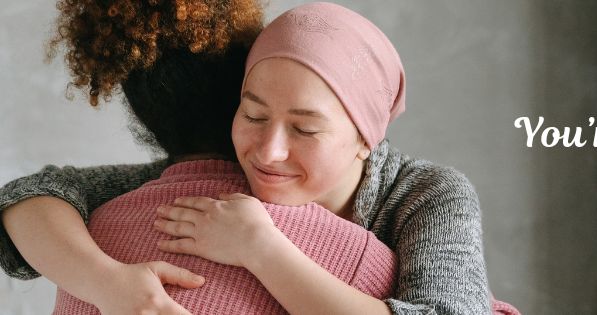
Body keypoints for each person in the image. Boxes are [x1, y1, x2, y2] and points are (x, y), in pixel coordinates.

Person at [1, 2, 520, 314]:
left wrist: (263, 249)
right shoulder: (229, 168)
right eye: (252, 115)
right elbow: (30, 197)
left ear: (367, 137)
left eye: (304, 128)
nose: (269, 151)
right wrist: (108, 285)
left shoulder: (428, 195)